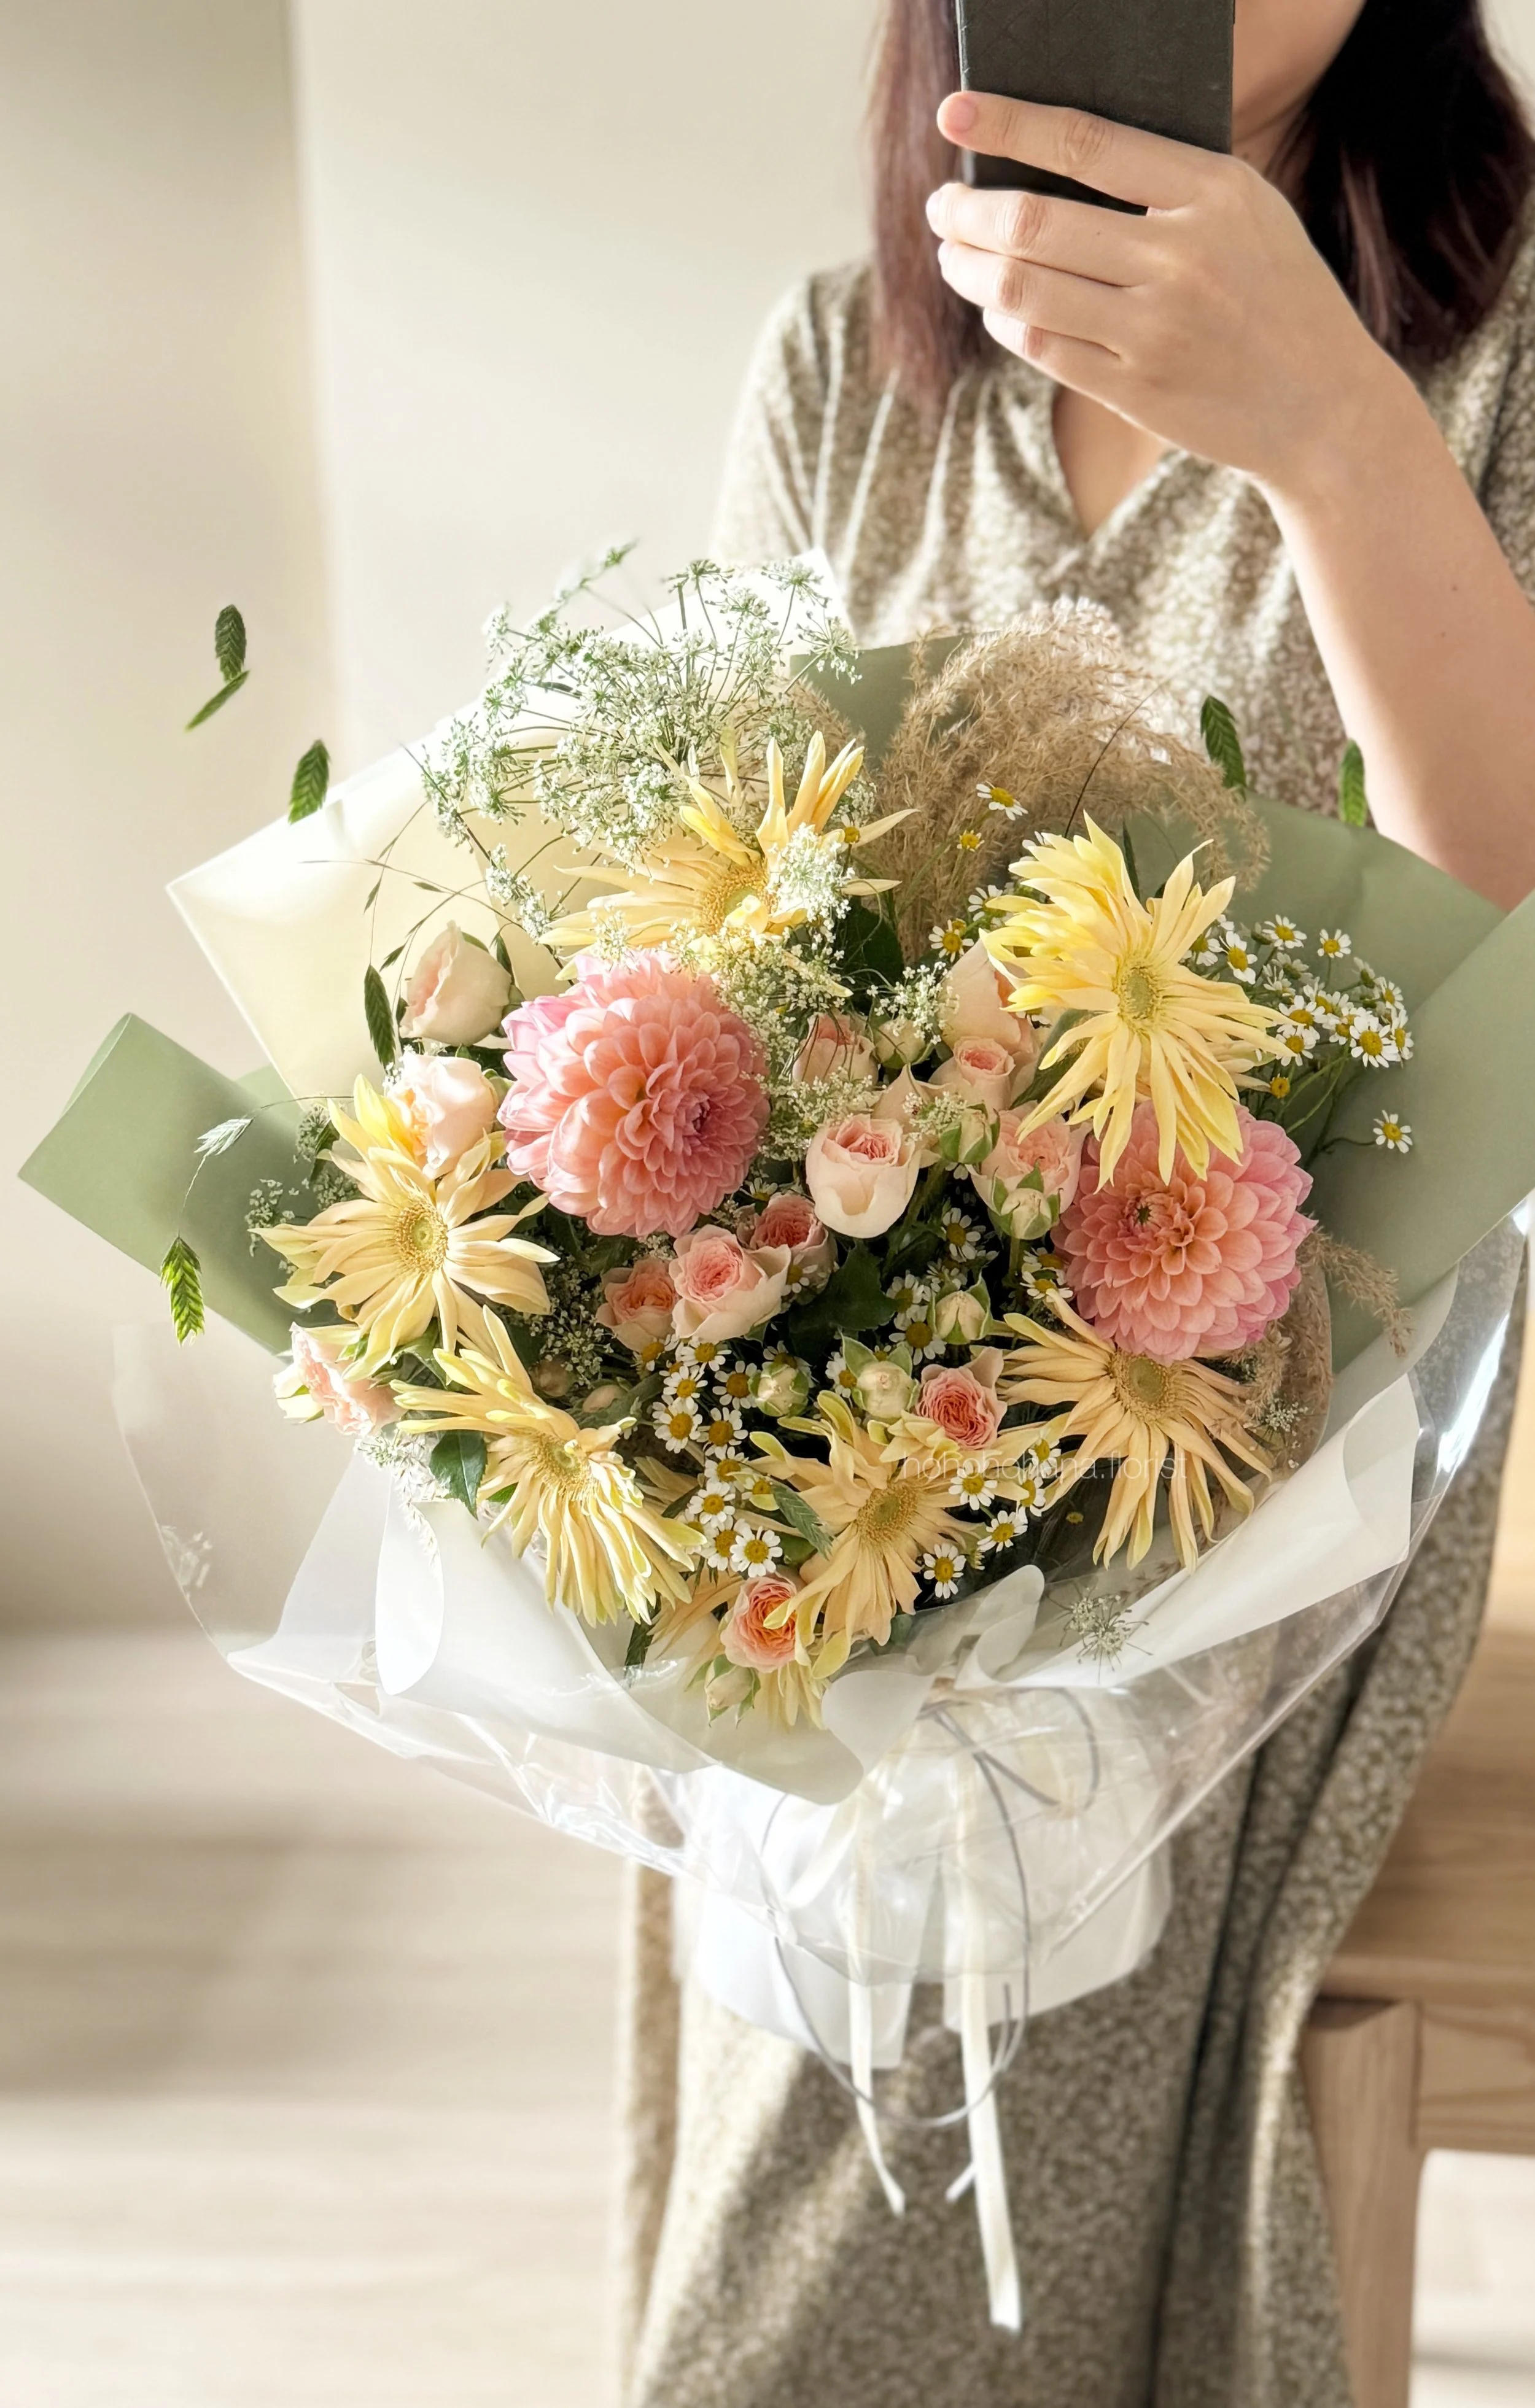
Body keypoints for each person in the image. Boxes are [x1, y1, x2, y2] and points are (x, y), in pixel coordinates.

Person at [616, 6, 1535, 2403]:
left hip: (1289, 1466)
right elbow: (724, 950)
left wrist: (1332, 434)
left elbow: (1508, 981)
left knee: (957, 2015)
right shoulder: (843, 371)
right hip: (853, 1447)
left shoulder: (1507, 353)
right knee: (829, 1896)